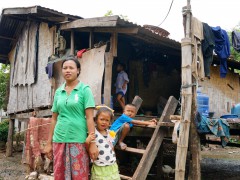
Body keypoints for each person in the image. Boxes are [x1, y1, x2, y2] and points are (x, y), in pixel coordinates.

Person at [44, 56, 98, 180]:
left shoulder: (85, 90)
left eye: (71, 68)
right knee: (60, 175)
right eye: (65, 68)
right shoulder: (58, 92)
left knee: (79, 175)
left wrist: (93, 143)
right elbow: (54, 119)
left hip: (78, 139)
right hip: (59, 139)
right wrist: (48, 143)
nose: (68, 70)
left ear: (78, 70)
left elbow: (90, 118)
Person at [86, 106, 120, 180]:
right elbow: (88, 148)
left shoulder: (110, 133)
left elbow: (112, 147)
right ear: (96, 120)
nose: (104, 122)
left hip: (112, 165)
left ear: (109, 122)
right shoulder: (93, 133)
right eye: (101, 119)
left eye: (107, 120)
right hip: (99, 166)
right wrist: (87, 141)